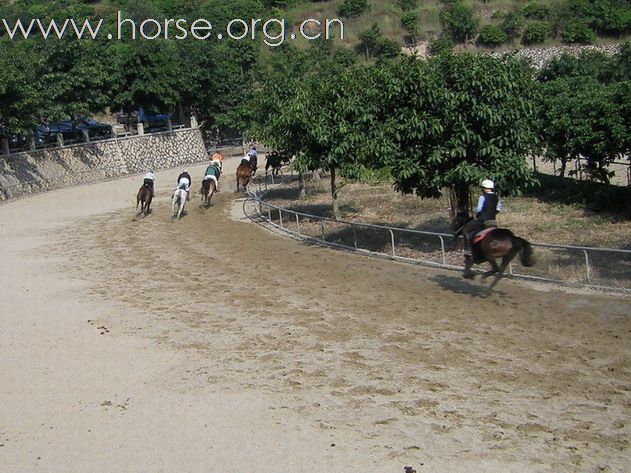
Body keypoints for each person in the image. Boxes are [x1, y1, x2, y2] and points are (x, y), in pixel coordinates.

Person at [462, 179, 500, 278]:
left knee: (466, 230)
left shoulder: (482, 197)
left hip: (483, 221)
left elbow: (479, 209)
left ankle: (468, 250)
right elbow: (498, 209)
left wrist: (479, 215)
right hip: (493, 222)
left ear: (483, 188)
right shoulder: (497, 197)